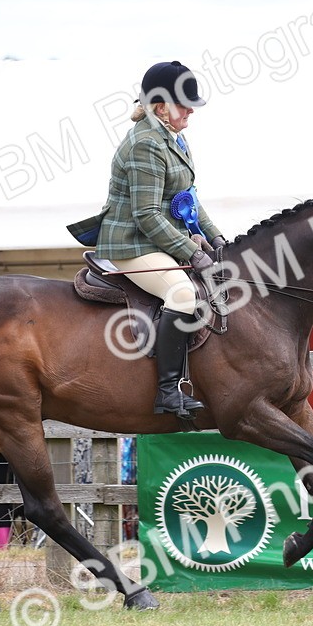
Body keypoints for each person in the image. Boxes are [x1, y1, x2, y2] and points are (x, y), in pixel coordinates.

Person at [66, 60, 226, 420]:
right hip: (131, 244)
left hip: (156, 241)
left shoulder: (175, 138)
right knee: (182, 294)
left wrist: (215, 237)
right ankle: (168, 391)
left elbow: (188, 199)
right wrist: (192, 252)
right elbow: (147, 215)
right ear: (160, 107)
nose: (190, 111)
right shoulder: (146, 144)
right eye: (184, 104)